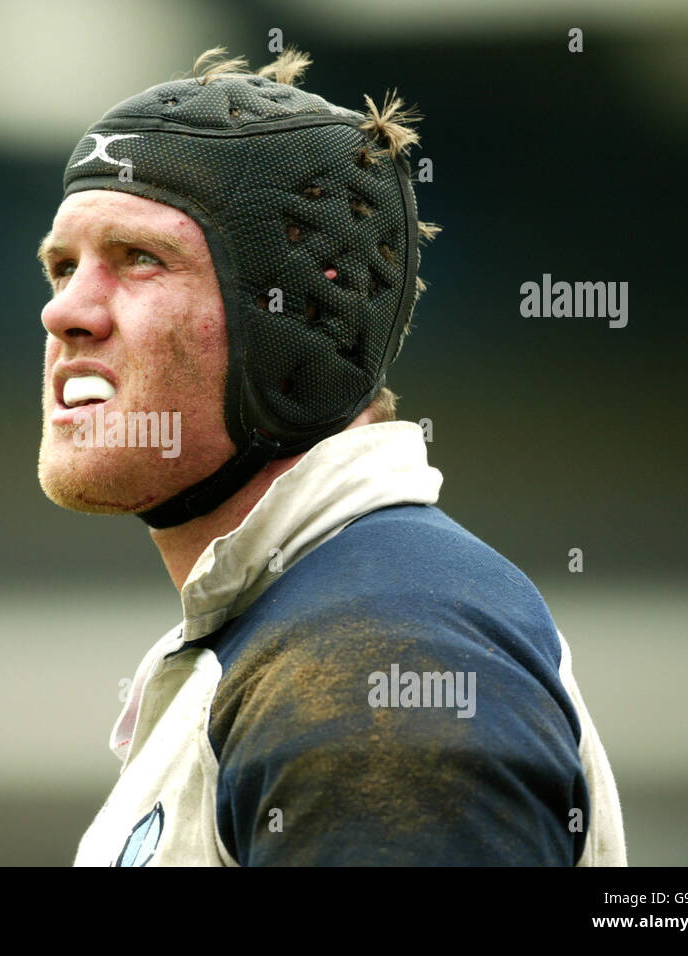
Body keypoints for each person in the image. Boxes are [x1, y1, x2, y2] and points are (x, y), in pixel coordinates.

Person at [35, 47, 626, 866]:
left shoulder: (376, 659)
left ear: (297, 318)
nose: (64, 310)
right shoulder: (299, 627)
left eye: (139, 259)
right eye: (62, 267)